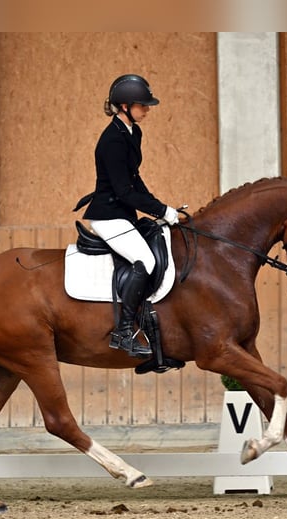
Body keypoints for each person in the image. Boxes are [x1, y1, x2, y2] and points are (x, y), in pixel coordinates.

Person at [73, 74, 180, 357]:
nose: (147, 110)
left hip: (123, 213)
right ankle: (123, 332)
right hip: (108, 215)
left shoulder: (133, 132)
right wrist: (160, 210)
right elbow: (123, 190)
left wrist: (162, 207)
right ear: (123, 106)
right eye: (141, 105)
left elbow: (135, 180)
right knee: (144, 260)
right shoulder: (112, 140)